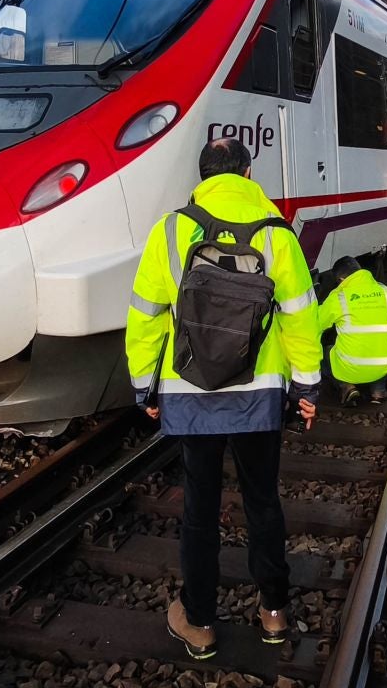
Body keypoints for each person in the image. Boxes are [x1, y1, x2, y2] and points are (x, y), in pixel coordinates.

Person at [125, 137, 323, 660]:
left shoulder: (171, 229)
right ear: (249, 173)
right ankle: (274, 613)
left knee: (199, 507)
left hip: (192, 394)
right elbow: (301, 315)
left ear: (202, 176)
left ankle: (200, 621)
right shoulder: (277, 233)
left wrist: (143, 384)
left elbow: (146, 315)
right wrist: (306, 386)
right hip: (259, 397)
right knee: (262, 502)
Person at [317, 255, 387, 406]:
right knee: (383, 346)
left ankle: (347, 387)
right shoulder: (386, 293)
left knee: (326, 352)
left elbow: (315, 324)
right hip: (383, 366)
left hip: (348, 369)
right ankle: (378, 391)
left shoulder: (338, 297)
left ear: (341, 279)